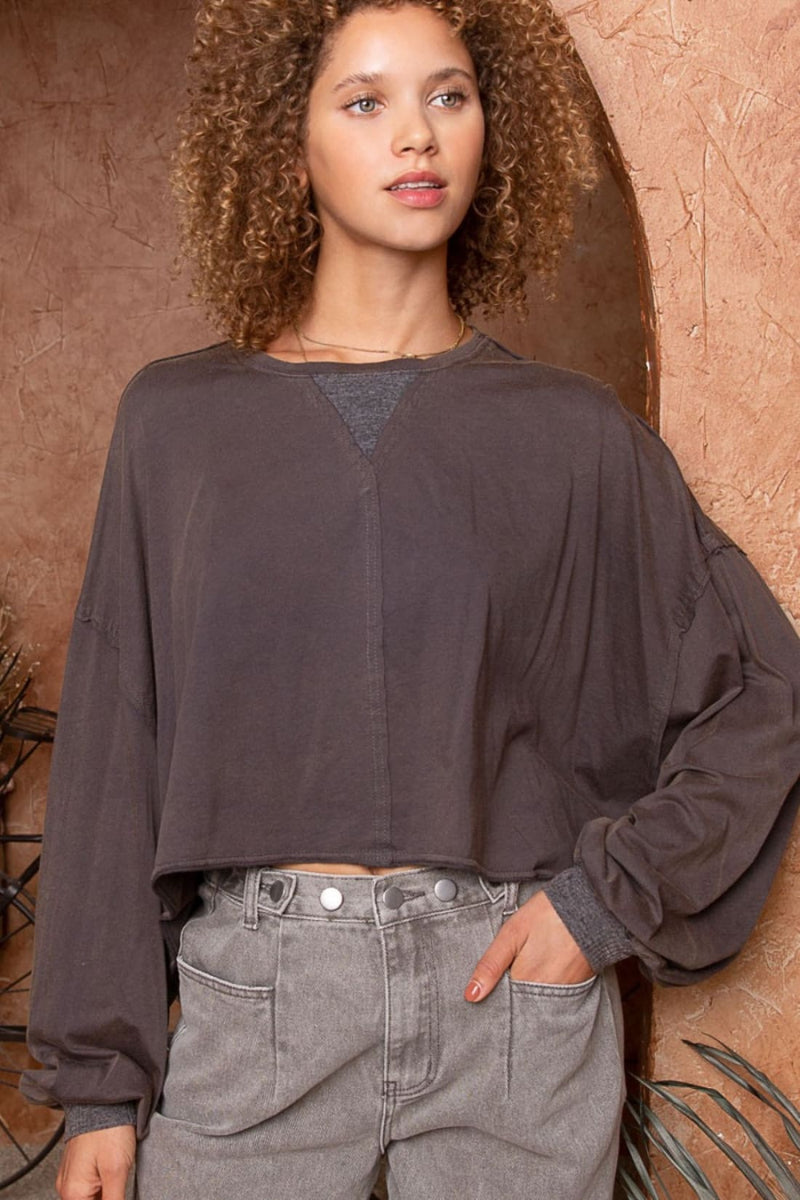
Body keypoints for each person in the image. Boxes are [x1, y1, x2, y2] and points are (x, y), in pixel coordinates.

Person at [20, 1, 800, 1198]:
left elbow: (759, 689)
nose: (417, 135)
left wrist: (597, 908)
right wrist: (98, 1089)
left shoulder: (575, 435)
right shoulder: (176, 426)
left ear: (494, 132)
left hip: (513, 1005)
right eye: (365, 101)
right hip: (259, 998)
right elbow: (115, 751)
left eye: (448, 95)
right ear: (287, 149)